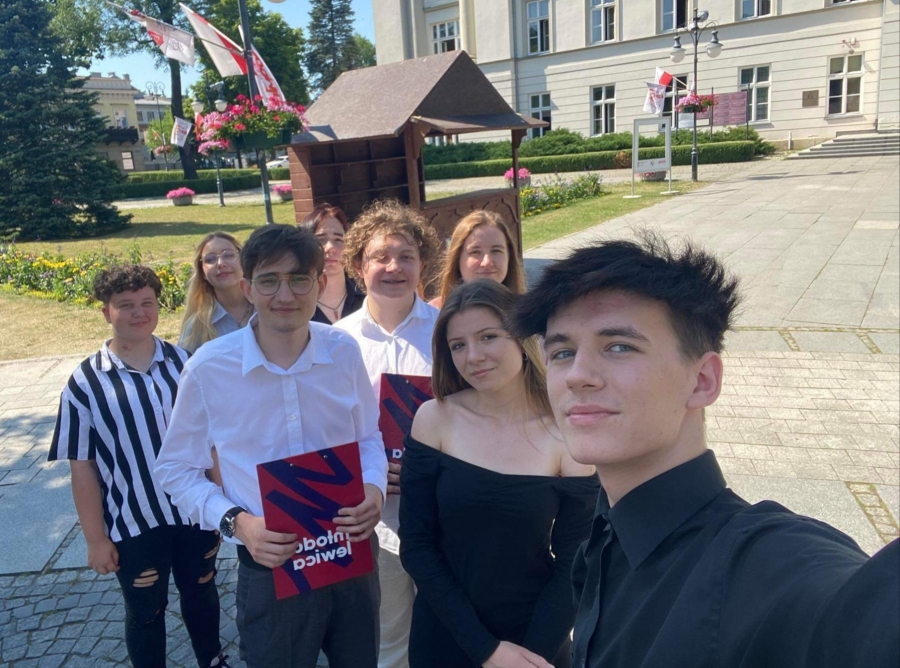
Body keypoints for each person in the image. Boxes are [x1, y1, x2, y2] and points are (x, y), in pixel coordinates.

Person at [509, 233, 900, 668]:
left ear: (702, 381)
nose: (577, 375)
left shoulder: (763, 564)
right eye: (563, 352)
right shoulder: (601, 539)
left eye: (619, 346)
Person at [155, 225, 388, 668]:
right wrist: (237, 523)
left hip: (349, 552)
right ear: (247, 288)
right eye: (269, 280)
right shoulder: (210, 368)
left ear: (320, 283)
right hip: (270, 562)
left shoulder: (343, 351)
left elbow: (368, 437)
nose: (285, 294)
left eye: (299, 279)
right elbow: (175, 468)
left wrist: (374, 488)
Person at [400, 280, 599, 668]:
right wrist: (485, 650)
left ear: (522, 338)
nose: (473, 356)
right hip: (446, 632)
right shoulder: (434, 419)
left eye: (488, 337)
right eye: (458, 345)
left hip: (535, 639)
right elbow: (418, 546)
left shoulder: (565, 432)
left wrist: (531, 655)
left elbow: (576, 563)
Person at [48, 265, 227, 668]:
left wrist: (224, 501)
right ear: (106, 312)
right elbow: (82, 467)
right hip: (133, 521)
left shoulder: (186, 365)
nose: (139, 312)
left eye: (147, 302)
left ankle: (212, 659)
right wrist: (95, 539)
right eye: (125, 305)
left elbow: (212, 442)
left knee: (202, 591)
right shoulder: (85, 383)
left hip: (195, 511)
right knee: (146, 609)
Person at [334, 199, 441, 668]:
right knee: (388, 638)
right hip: (375, 521)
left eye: (405, 256)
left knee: (451, 628)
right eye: (380, 256)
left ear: (422, 264)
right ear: (359, 267)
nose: (394, 267)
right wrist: (368, 473)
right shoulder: (337, 341)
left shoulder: (448, 333)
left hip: (445, 510)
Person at [429, 211, 526, 310]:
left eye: (496, 251)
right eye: (475, 252)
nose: (487, 262)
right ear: (457, 259)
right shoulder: (435, 312)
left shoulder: (526, 312)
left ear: (509, 256)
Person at [180, 232, 254, 353]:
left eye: (229, 255)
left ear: (244, 261)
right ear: (203, 273)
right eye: (210, 259)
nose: (220, 263)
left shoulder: (266, 309)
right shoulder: (195, 328)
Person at [298, 203, 365, 324]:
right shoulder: (296, 305)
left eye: (338, 240)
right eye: (321, 240)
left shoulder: (368, 297)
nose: (330, 247)